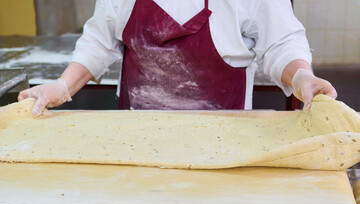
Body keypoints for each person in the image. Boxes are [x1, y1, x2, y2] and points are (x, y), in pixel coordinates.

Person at [19, 0, 337, 116]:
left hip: (224, 148)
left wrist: (302, 76)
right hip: (135, 146)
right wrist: (62, 86)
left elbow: (281, 43)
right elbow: (99, 44)